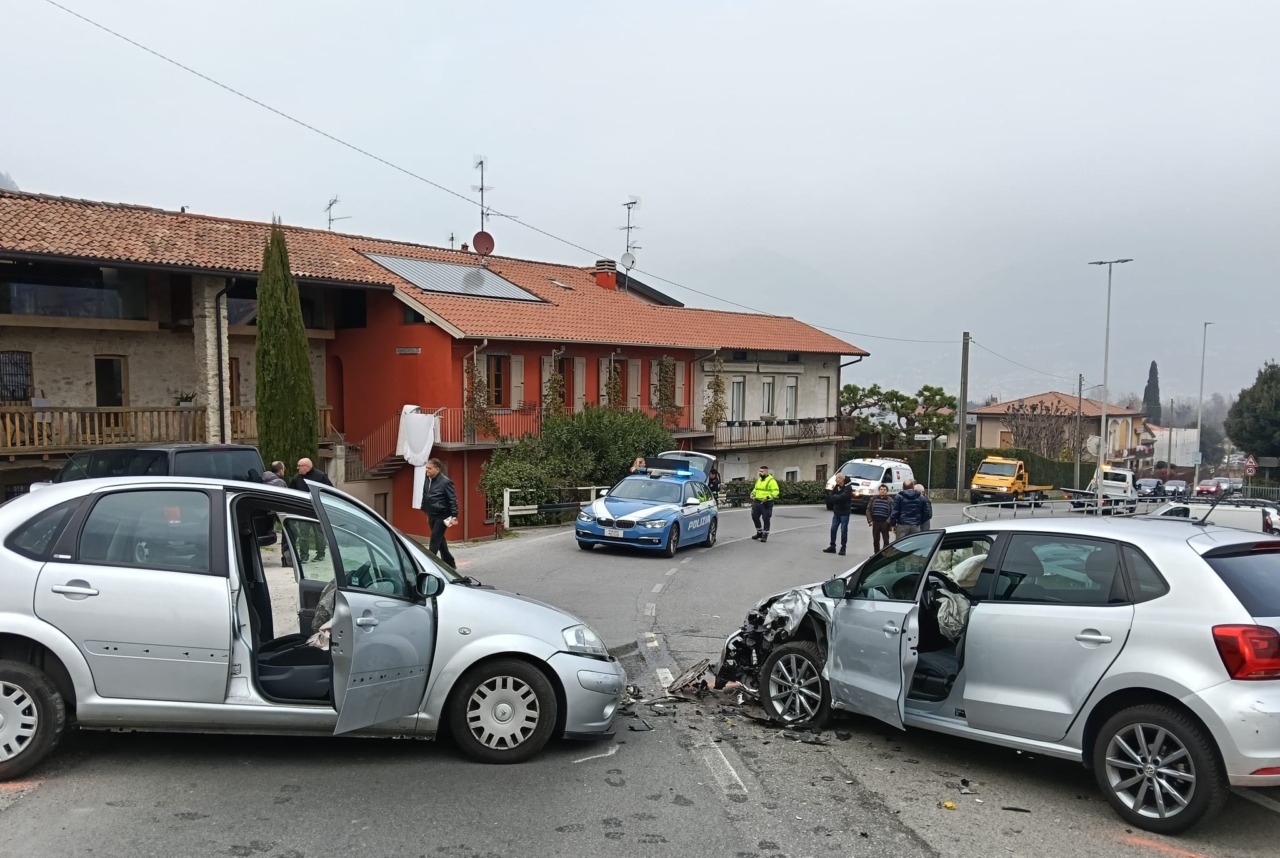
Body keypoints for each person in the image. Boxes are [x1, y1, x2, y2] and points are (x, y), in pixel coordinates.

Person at [290, 458, 333, 562]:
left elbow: (329, 490)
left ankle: (320, 554)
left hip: (317, 510)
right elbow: (291, 491)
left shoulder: (320, 476)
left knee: (319, 534)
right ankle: (304, 556)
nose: (297, 468)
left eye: (299, 466)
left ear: (307, 467)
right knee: (303, 535)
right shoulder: (297, 478)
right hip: (303, 511)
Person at [421, 457, 459, 569]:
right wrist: (426, 511)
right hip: (432, 514)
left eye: (429, 468)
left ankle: (428, 564)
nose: (427, 470)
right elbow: (426, 496)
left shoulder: (446, 482)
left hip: (443, 516)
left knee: (434, 540)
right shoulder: (427, 479)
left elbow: (453, 500)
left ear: (437, 469)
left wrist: (454, 516)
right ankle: (450, 563)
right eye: (426, 468)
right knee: (440, 539)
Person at [824, 473, 853, 555]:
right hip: (837, 512)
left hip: (844, 512)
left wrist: (835, 497)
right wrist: (835, 497)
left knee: (843, 531)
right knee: (833, 529)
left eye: (838, 479)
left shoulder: (848, 488)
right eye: (836, 478)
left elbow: (843, 497)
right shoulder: (836, 486)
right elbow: (830, 495)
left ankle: (843, 548)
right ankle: (832, 546)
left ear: (842, 479)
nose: (836, 480)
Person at [750, 464, 780, 543]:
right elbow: (756, 489)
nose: (760, 473)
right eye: (759, 471)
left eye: (762, 471)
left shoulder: (771, 481)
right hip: (757, 501)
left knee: (766, 518)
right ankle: (759, 532)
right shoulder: (759, 480)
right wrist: (752, 494)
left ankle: (765, 535)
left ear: (766, 472)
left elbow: (776, 491)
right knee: (754, 517)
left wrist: (768, 497)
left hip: (766, 503)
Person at [866, 483, 894, 552]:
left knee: (886, 540)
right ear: (879, 490)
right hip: (876, 522)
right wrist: (870, 520)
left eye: (884, 490)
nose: (882, 491)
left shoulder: (890, 500)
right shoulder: (873, 499)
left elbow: (893, 512)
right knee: (876, 539)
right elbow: (868, 510)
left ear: (887, 491)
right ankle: (876, 553)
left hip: (885, 522)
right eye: (881, 489)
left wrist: (888, 522)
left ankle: (885, 554)